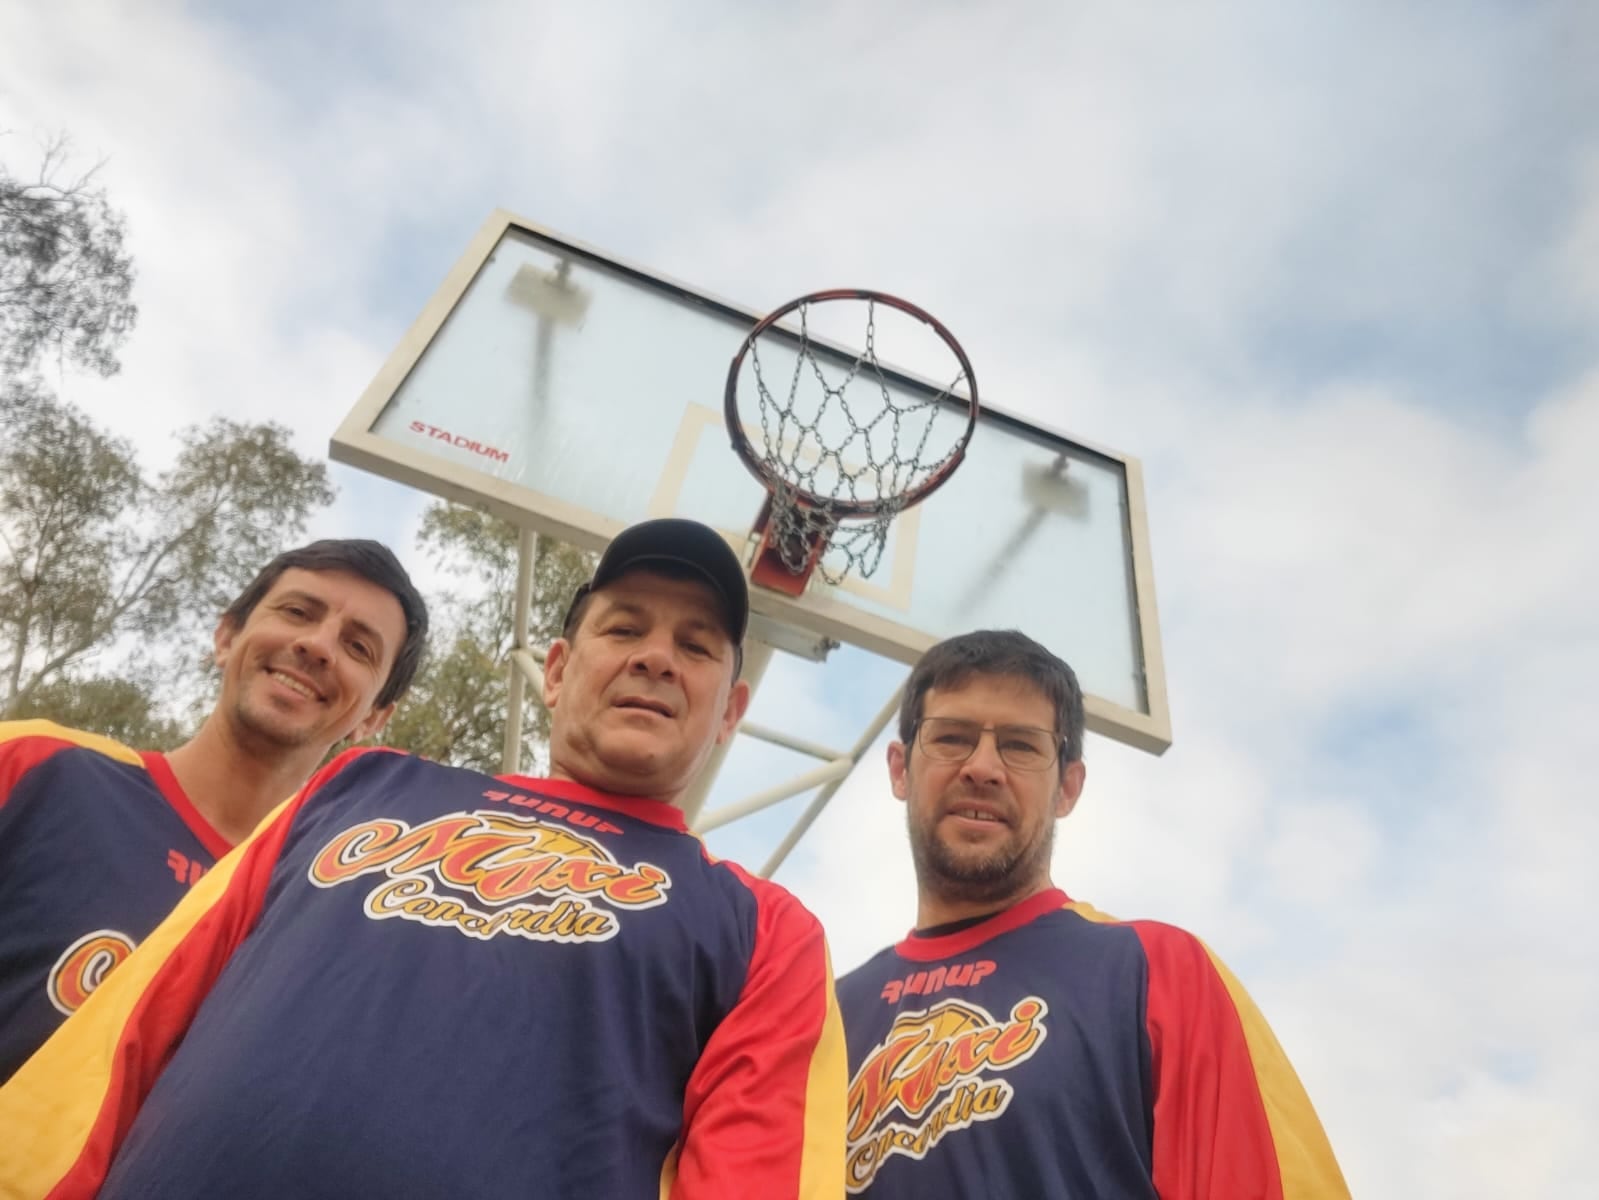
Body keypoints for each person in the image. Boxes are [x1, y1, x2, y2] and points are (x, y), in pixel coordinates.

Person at [0, 518, 845, 1200]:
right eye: (623, 628)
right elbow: (132, 1029)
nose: (656, 656)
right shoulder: (359, 786)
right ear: (555, 671)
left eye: (696, 647)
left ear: (730, 711)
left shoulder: (763, 929)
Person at [835, 630, 1349, 1199]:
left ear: (1068, 787)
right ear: (900, 769)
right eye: (952, 738)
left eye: (1021, 745)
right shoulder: (820, 1018)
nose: (982, 767)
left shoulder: (1159, 973)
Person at [0, 538, 428, 1083]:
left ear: (374, 717)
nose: (319, 645)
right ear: (227, 637)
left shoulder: (329, 923)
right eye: (298, 612)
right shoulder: (32, 768)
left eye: (359, 647)